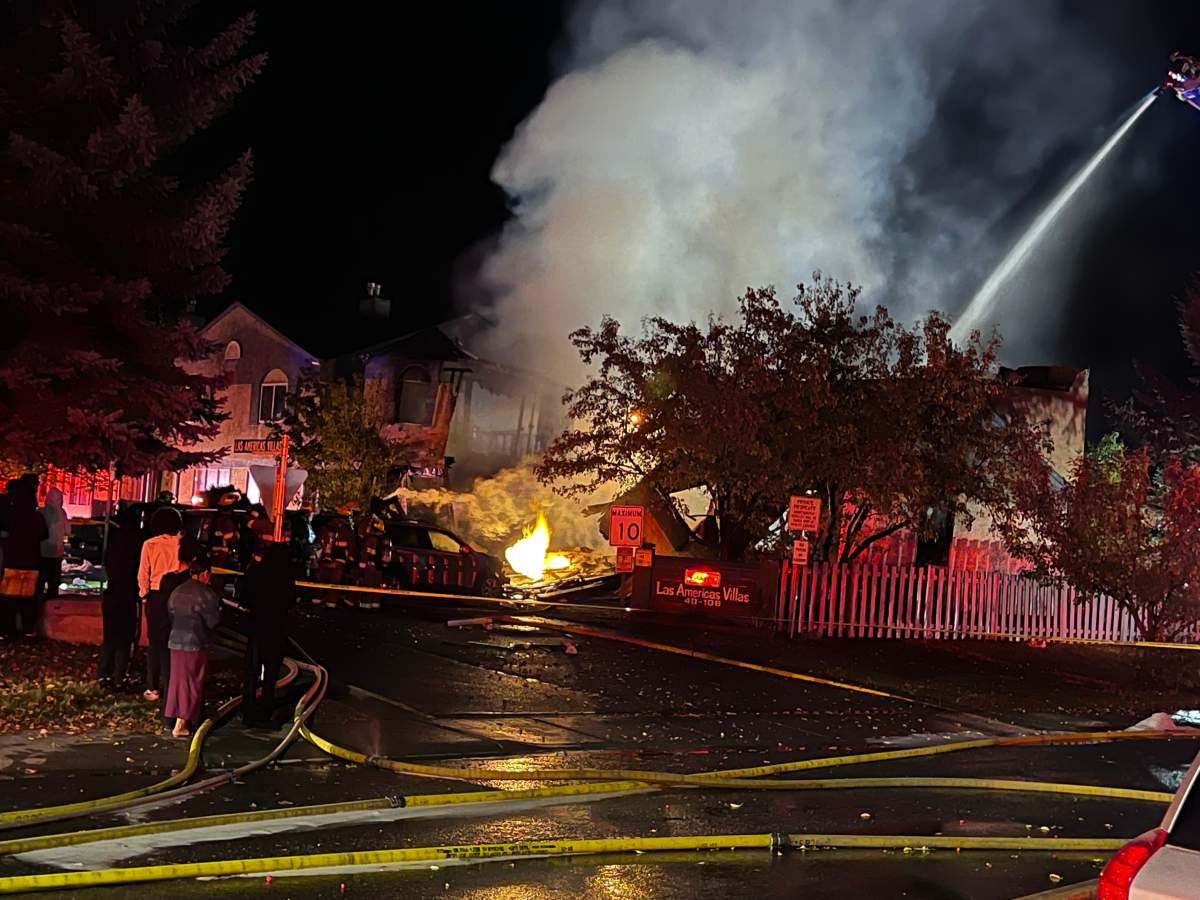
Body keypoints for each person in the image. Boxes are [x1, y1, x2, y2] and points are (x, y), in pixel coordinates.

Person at [239, 530, 296, 727]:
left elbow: (243, 598)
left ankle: (248, 710)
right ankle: (265, 709)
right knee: (271, 674)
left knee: (252, 671)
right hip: (276, 628)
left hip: (256, 627)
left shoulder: (255, 571)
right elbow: (290, 599)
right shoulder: (285, 576)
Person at [164, 552, 221, 738]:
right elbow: (213, 621)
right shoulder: (206, 594)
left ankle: (171, 716)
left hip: (175, 640)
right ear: (205, 573)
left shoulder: (177, 591)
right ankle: (183, 721)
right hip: (195, 642)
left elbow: (171, 613)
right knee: (192, 682)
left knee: (177, 680)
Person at [138, 506, 184, 702]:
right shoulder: (181, 544)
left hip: (156, 597)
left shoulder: (150, 544)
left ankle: (153, 687)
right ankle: (172, 685)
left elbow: (143, 573)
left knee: (156, 643)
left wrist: (144, 595)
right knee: (175, 643)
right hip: (178, 595)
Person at [98, 505, 142, 689]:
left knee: (110, 636)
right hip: (128, 594)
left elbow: (107, 563)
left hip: (112, 592)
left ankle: (104, 674)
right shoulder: (139, 541)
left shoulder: (114, 539)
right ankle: (119, 675)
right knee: (125, 638)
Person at [0, 477, 48, 637]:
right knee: (28, 599)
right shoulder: (37, 517)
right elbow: (44, 535)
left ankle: (8, 629)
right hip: (31, 562)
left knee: (8, 598)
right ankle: (28, 629)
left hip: (11, 562)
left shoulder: (10, 515)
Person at [38, 487, 68, 599]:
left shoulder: (41, 512)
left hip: (42, 551)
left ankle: (39, 601)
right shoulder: (61, 514)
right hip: (56, 552)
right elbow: (68, 530)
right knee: (53, 583)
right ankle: (52, 601)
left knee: (40, 580)